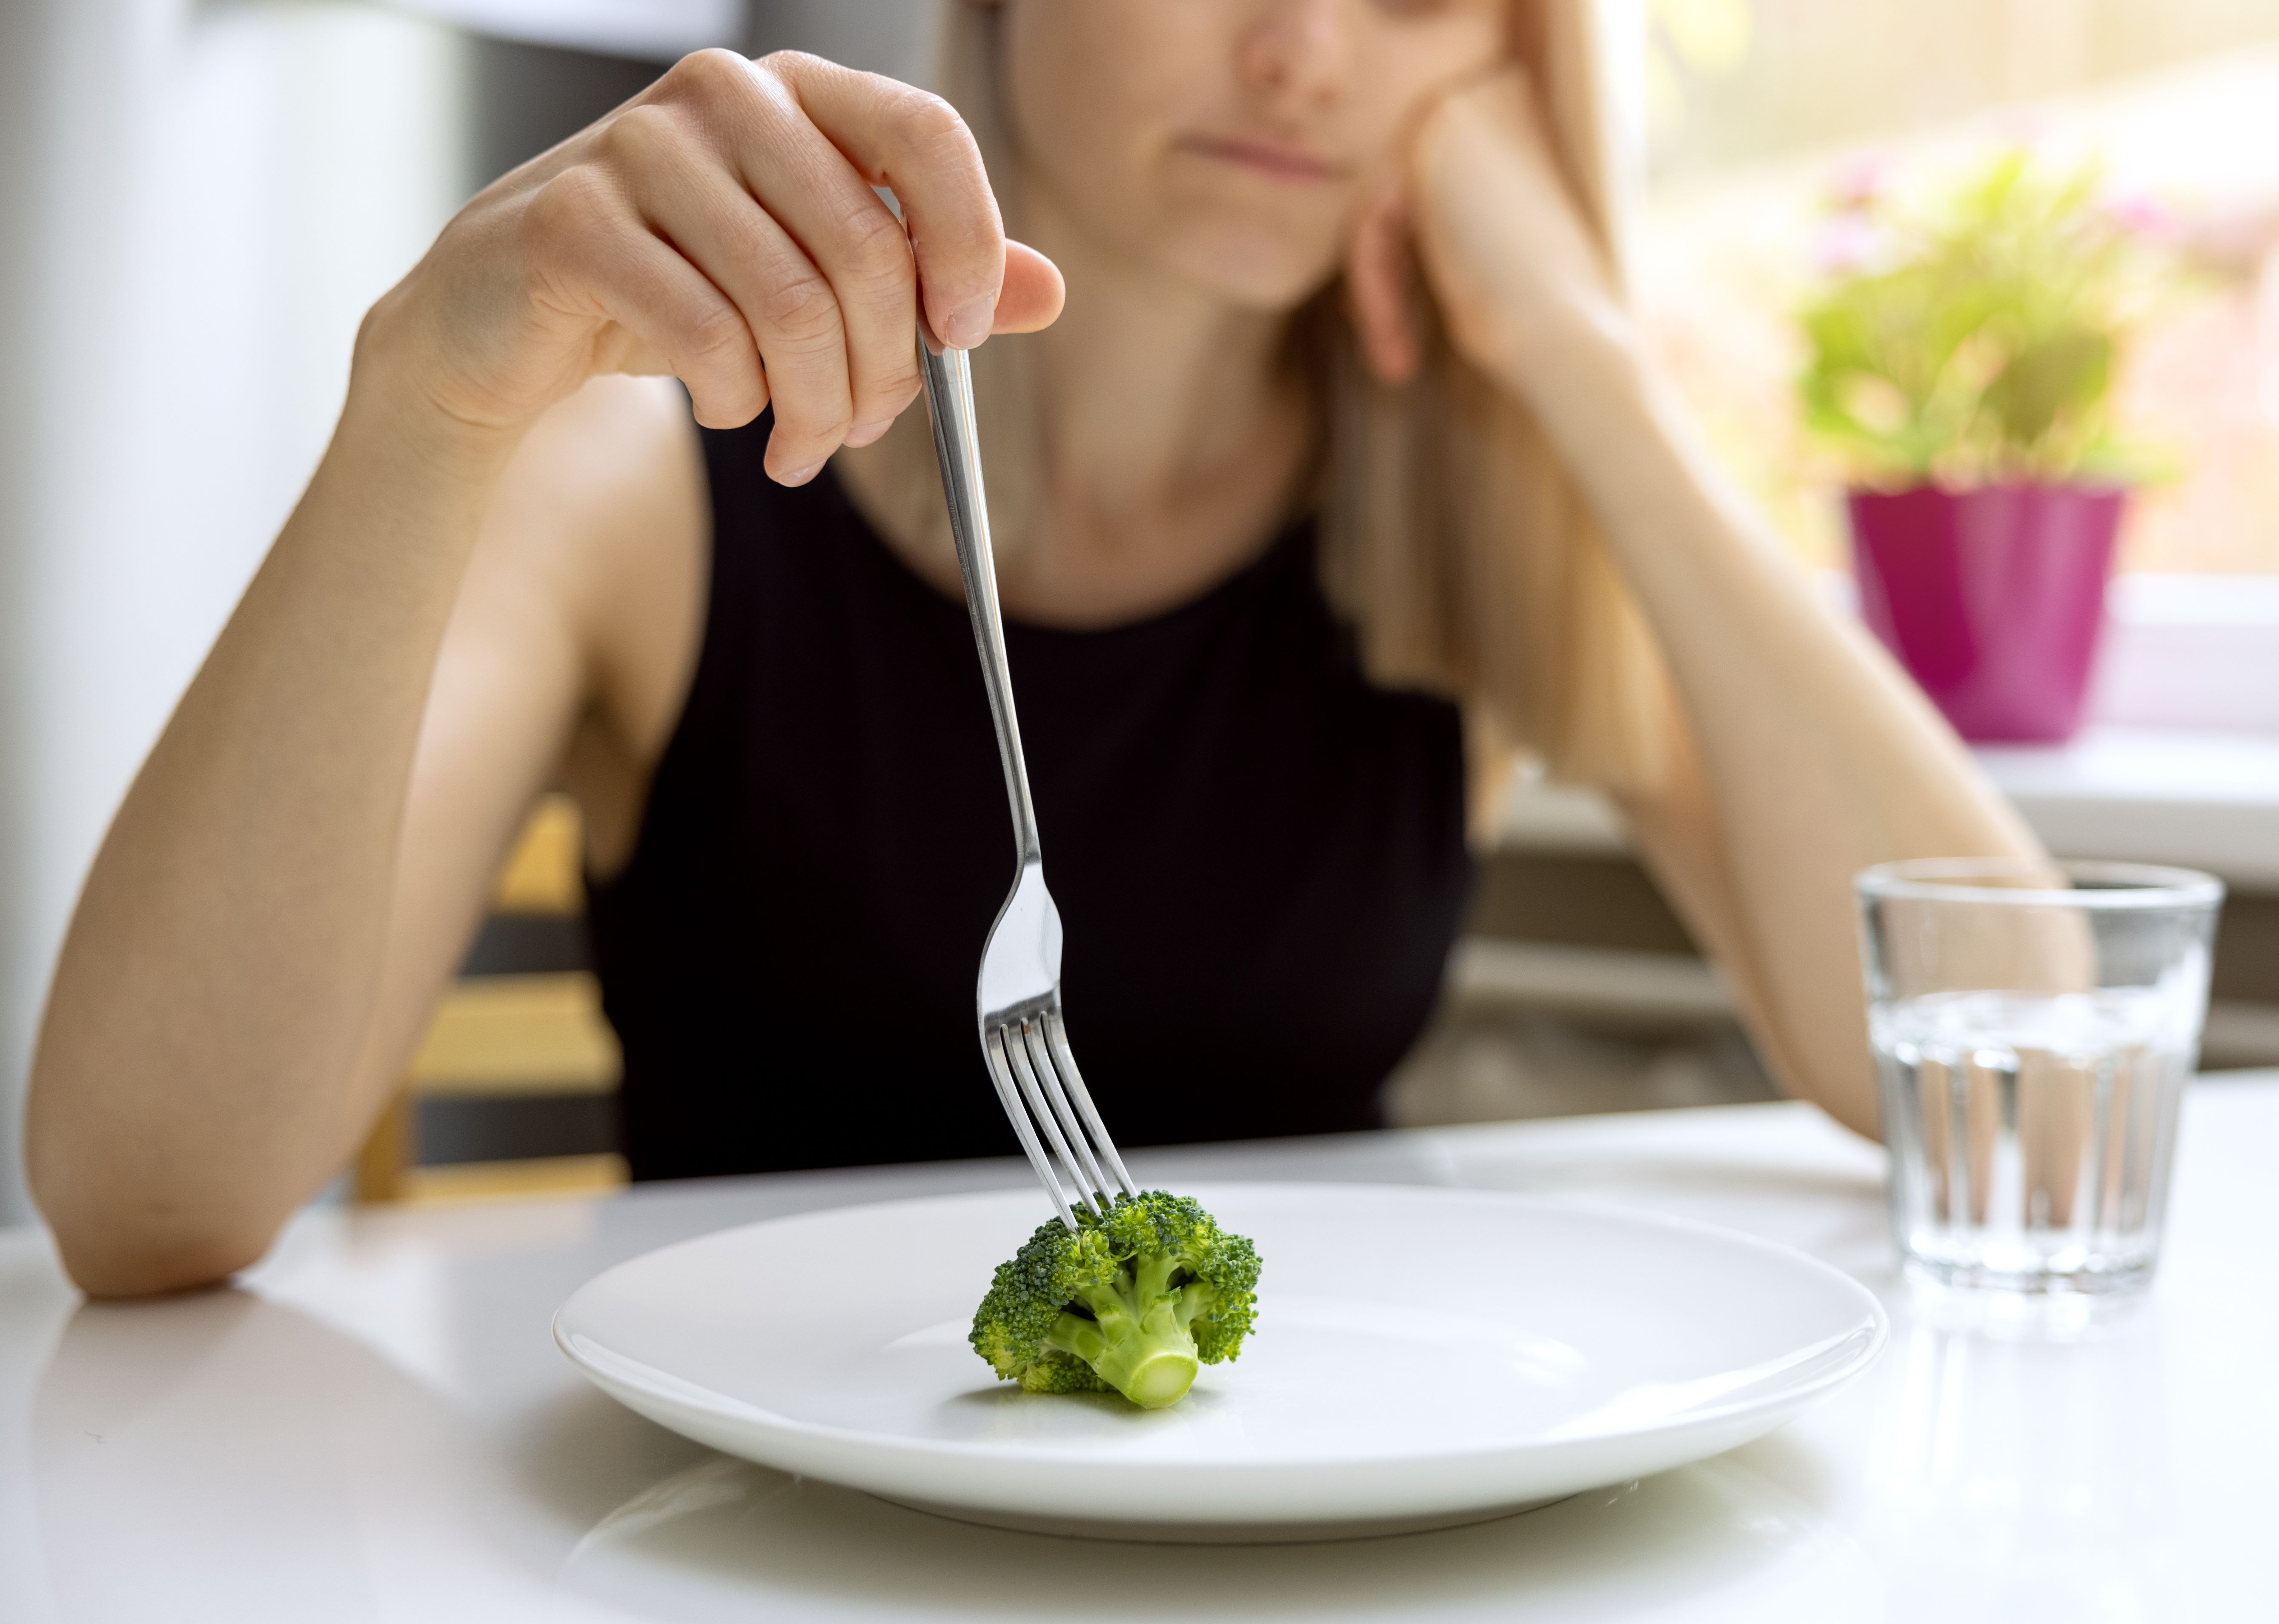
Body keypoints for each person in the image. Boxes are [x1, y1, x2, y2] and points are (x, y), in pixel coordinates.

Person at [26, 0, 2037, 1298]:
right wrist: (424, 408)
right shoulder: (647, 489)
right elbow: (141, 1203)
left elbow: (2014, 1072)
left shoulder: (1470, 531)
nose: (1307, 56)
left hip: (1317, 1534)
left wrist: (1587, 364)